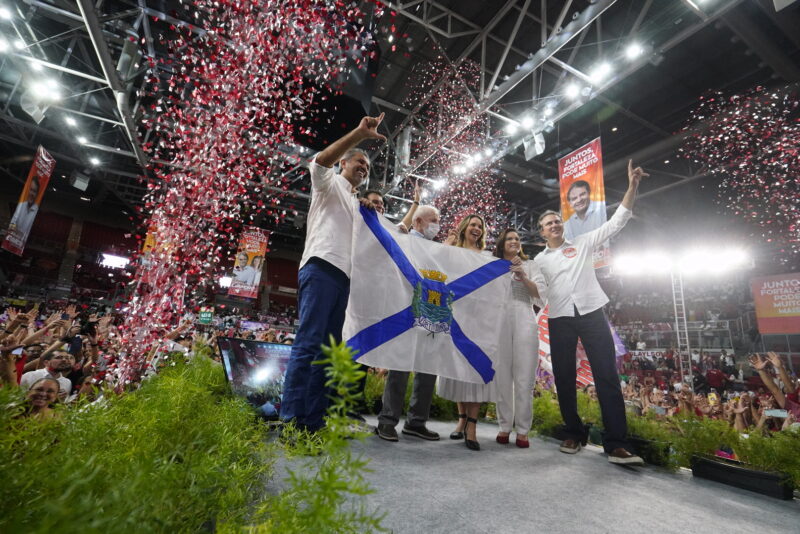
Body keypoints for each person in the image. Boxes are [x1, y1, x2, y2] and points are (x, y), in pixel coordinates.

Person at [532, 160, 648, 465]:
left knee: (607, 376)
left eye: (558, 220)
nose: (555, 225)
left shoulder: (582, 242)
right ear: (542, 233)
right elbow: (540, 293)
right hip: (559, 319)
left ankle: (616, 444)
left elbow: (617, 222)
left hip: (592, 313)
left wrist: (633, 186)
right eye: (549, 224)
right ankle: (573, 433)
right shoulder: (539, 261)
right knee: (565, 378)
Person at [279, 113, 385, 432]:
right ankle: (291, 421)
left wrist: (372, 214)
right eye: (359, 162)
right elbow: (320, 160)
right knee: (309, 345)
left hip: (344, 279)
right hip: (321, 267)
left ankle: (313, 423)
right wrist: (359, 133)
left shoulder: (357, 204)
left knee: (326, 354)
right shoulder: (328, 183)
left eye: (367, 167)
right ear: (344, 164)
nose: (363, 168)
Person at [375, 204, 441, 442]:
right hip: (403, 310)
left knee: (427, 368)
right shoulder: (404, 241)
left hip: (430, 311)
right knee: (399, 367)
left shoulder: (437, 249)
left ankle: (416, 422)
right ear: (418, 222)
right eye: (432, 220)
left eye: (438, 220)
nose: (437, 224)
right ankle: (387, 420)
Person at [437, 213, 492, 451]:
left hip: (480, 319)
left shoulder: (489, 257)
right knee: (458, 370)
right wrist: (446, 246)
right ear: (464, 228)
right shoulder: (453, 251)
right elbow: (435, 266)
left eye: (480, 226)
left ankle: (472, 426)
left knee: (475, 370)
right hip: (456, 316)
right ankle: (461, 420)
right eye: (473, 225)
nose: (477, 228)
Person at [493, 228, 542, 448]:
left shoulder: (530, 265)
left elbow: (540, 295)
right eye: (510, 238)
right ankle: (504, 426)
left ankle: (522, 430)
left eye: (517, 239)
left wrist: (523, 276)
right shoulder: (492, 265)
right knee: (502, 376)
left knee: (524, 379)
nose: (514, 241)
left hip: (525, 317)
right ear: (502, 243)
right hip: (499, 320)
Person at [8, 174, 41, 241]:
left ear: (37, 194)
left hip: (24, 243)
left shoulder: (37, 210)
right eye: (30, 190)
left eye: (34, 191)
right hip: (11, 239)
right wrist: (15, 230)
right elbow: (12, 223)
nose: (31, 193)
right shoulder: (21, 205)